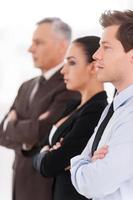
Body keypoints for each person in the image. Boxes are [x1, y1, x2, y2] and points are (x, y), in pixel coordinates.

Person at [0, 17, 80, 200]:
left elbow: (41, 133)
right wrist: (28, 137)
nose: (30, 49)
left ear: (62, 46)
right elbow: (1, 133)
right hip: (20, 186)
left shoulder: (70, 86)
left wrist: (13, 125)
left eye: (38, 42)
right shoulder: (26, 86)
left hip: (45, 188)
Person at [32, 36, 108, 200]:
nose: (63, 70)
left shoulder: (97, 111)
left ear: (94, 67)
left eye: (72, 62)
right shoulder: (72, 106)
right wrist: (47, 152)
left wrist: (48, 153)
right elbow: (37, 153)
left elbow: (50, 165)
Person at [70, 10, 133, 200]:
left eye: (106, 47)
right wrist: (86, 162)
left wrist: (80, 164)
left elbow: (94, 184)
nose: (96, 55)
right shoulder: (113, 107)